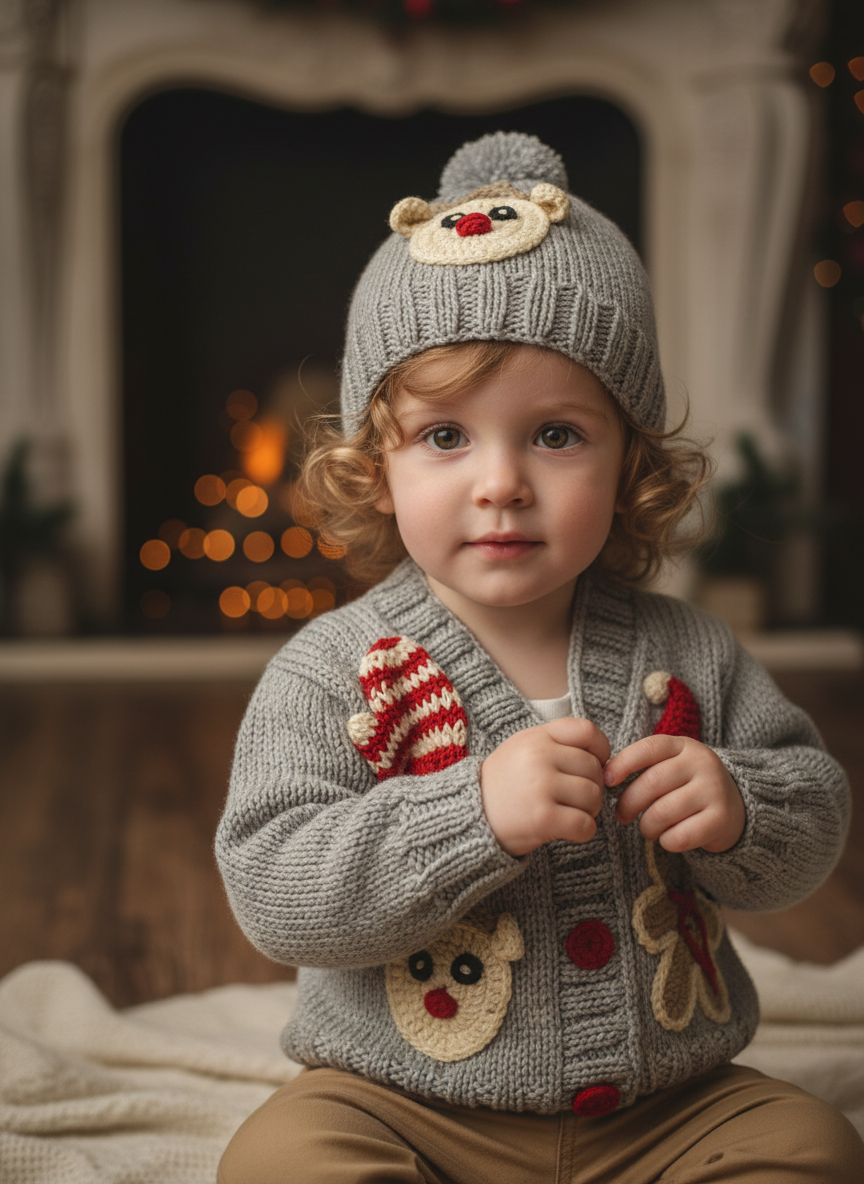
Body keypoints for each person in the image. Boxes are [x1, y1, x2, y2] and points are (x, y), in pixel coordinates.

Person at [215, 133, 863, 1183]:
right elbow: (273, 885)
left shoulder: (686, 649)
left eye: (557, 435)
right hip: (403, 1101)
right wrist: (469, 815)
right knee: (283, 1161)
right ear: (375, 466)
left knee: (815, 1146)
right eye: (445, 437)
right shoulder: (333, 669)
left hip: (670, 1101)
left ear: (632, 462)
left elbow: (814, 815)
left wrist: (739, 804)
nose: (502, 481)